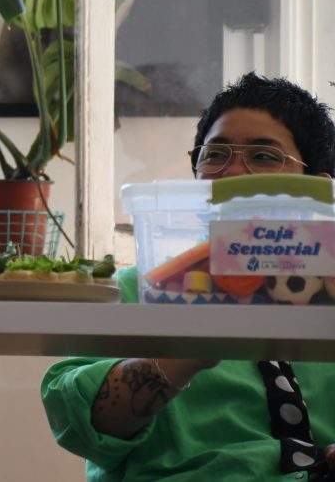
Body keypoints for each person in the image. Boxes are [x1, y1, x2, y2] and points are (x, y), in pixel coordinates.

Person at [41, 72, 335, 481]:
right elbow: (79, 423)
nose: (232, 173)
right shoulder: (141, 289)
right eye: (215, 155)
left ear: (318, 190)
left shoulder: (327, 294)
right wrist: (188, 348)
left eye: (264, 156)